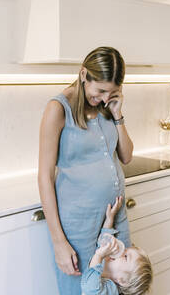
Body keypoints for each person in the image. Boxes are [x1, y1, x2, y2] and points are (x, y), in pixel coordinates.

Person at [38, 46, 134, 294]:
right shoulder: (58, 109)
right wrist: (59, 242)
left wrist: (117, 114)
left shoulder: (107, 107)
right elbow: (45, 176)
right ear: (83, 74)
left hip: (115, 221)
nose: (104, 98)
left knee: (121, 289)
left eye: (112, 92)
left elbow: (126, 156)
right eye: (100, 90)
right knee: (81, 291)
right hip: (78, 228)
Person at [81, 196, 153, 295]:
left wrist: (98, 255)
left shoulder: (111, 290)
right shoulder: (105, 262)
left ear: (122, 281)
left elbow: (89, 287)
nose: (122, 251)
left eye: (126, 256)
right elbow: (104, 240)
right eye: (126, 250)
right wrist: (109, 219)